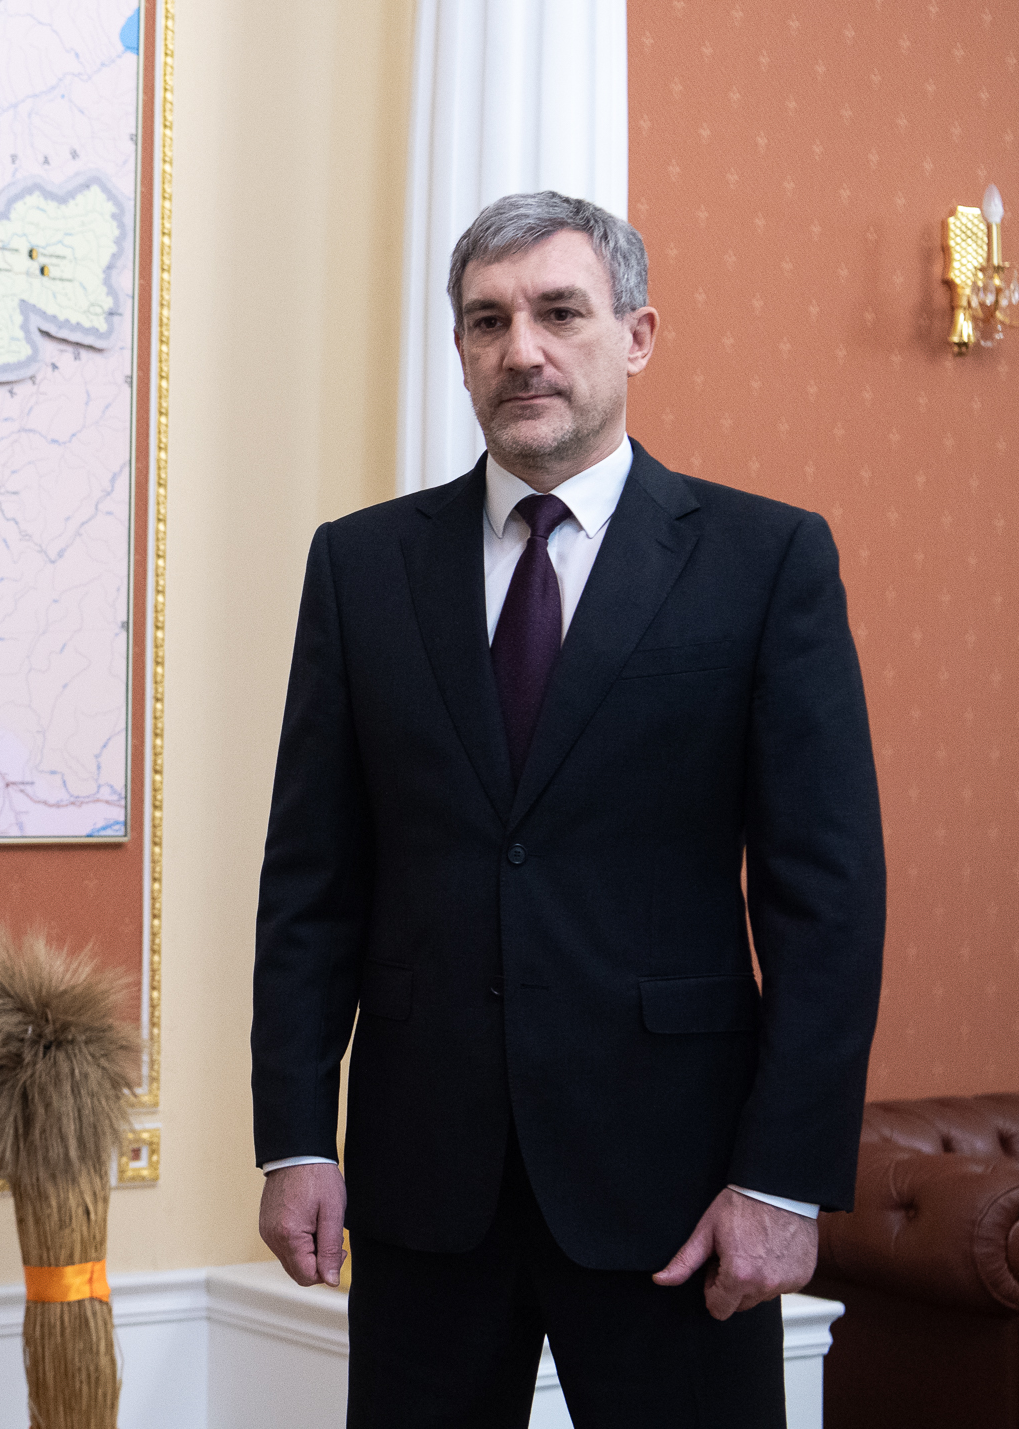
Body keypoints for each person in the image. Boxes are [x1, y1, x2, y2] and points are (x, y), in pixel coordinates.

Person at [251, 192, 884, 1427]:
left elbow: (825, 900)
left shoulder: (763, 562)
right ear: (458, 349)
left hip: (678, 1192)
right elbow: (310, 885)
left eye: (557, 312)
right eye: (486, 321)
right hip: (424, 1187)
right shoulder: (360, 567)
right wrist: (295, 1137)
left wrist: (783, 1179)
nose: (521, 350)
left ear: (634, 336)